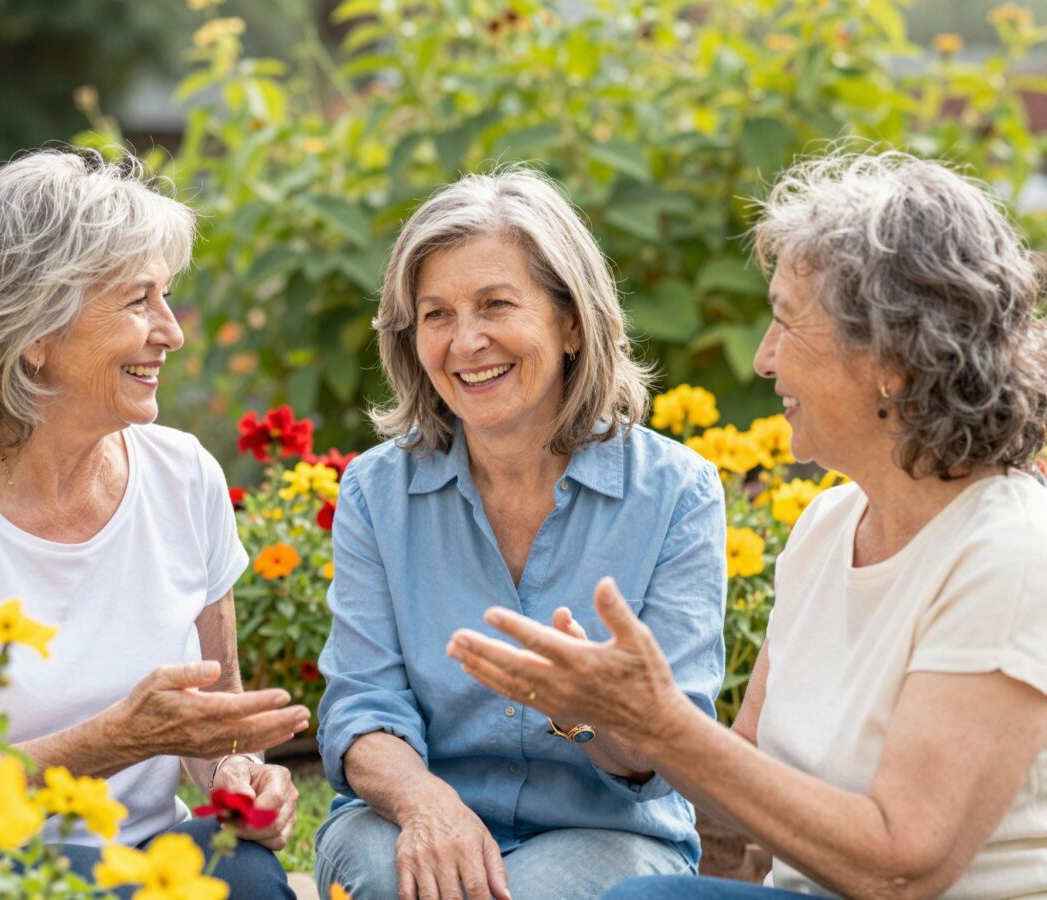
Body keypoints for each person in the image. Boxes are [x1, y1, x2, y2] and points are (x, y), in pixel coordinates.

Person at [446, 151, 1047, 898]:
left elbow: (903, 867)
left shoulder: (1008, 553)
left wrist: (663, 722)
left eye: (787, 322)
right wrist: (598, 715)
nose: (763, 359)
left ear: (891, 358)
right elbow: (743, 777)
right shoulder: (831, 524)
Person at [0, 149, 308, 898]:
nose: (172, 332)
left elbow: (212, 719)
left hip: (146, 857)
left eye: (166, 298)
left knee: (247, 875)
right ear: (34, 333)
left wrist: (238, 773)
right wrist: (116, 740)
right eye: (138, 302)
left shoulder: (184, 475)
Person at [313, 168, 727, 900]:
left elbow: (672, 751)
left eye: (496, 305)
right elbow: (362, 707)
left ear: (572, 323)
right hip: (409, 815)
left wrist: (584, 709)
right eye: (436, 315)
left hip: (606, 835)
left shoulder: (676, 494)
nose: (466, 341)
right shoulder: (377, 492)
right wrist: (427, 804)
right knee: (389, 872)